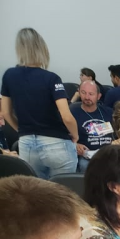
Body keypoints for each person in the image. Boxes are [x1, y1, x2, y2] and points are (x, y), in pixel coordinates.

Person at [0, 28, 79, 179]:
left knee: (36, 190)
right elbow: (66, 116)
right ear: (42, 48)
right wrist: (75, 135)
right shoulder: (51, 78)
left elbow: (6, 112)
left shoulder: (9, 75)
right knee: (62, 189)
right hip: (56, 142)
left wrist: (22, 131)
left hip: (27, 144)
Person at [70, 80, 114, 172]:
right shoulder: (72, 113)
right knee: (86, 166)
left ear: (98, 96)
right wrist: (75, 145)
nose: (87, 97)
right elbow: (65, 137)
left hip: (109, 153)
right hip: (86, 156)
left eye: (91, 94)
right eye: (83, 93)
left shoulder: (109, 112)